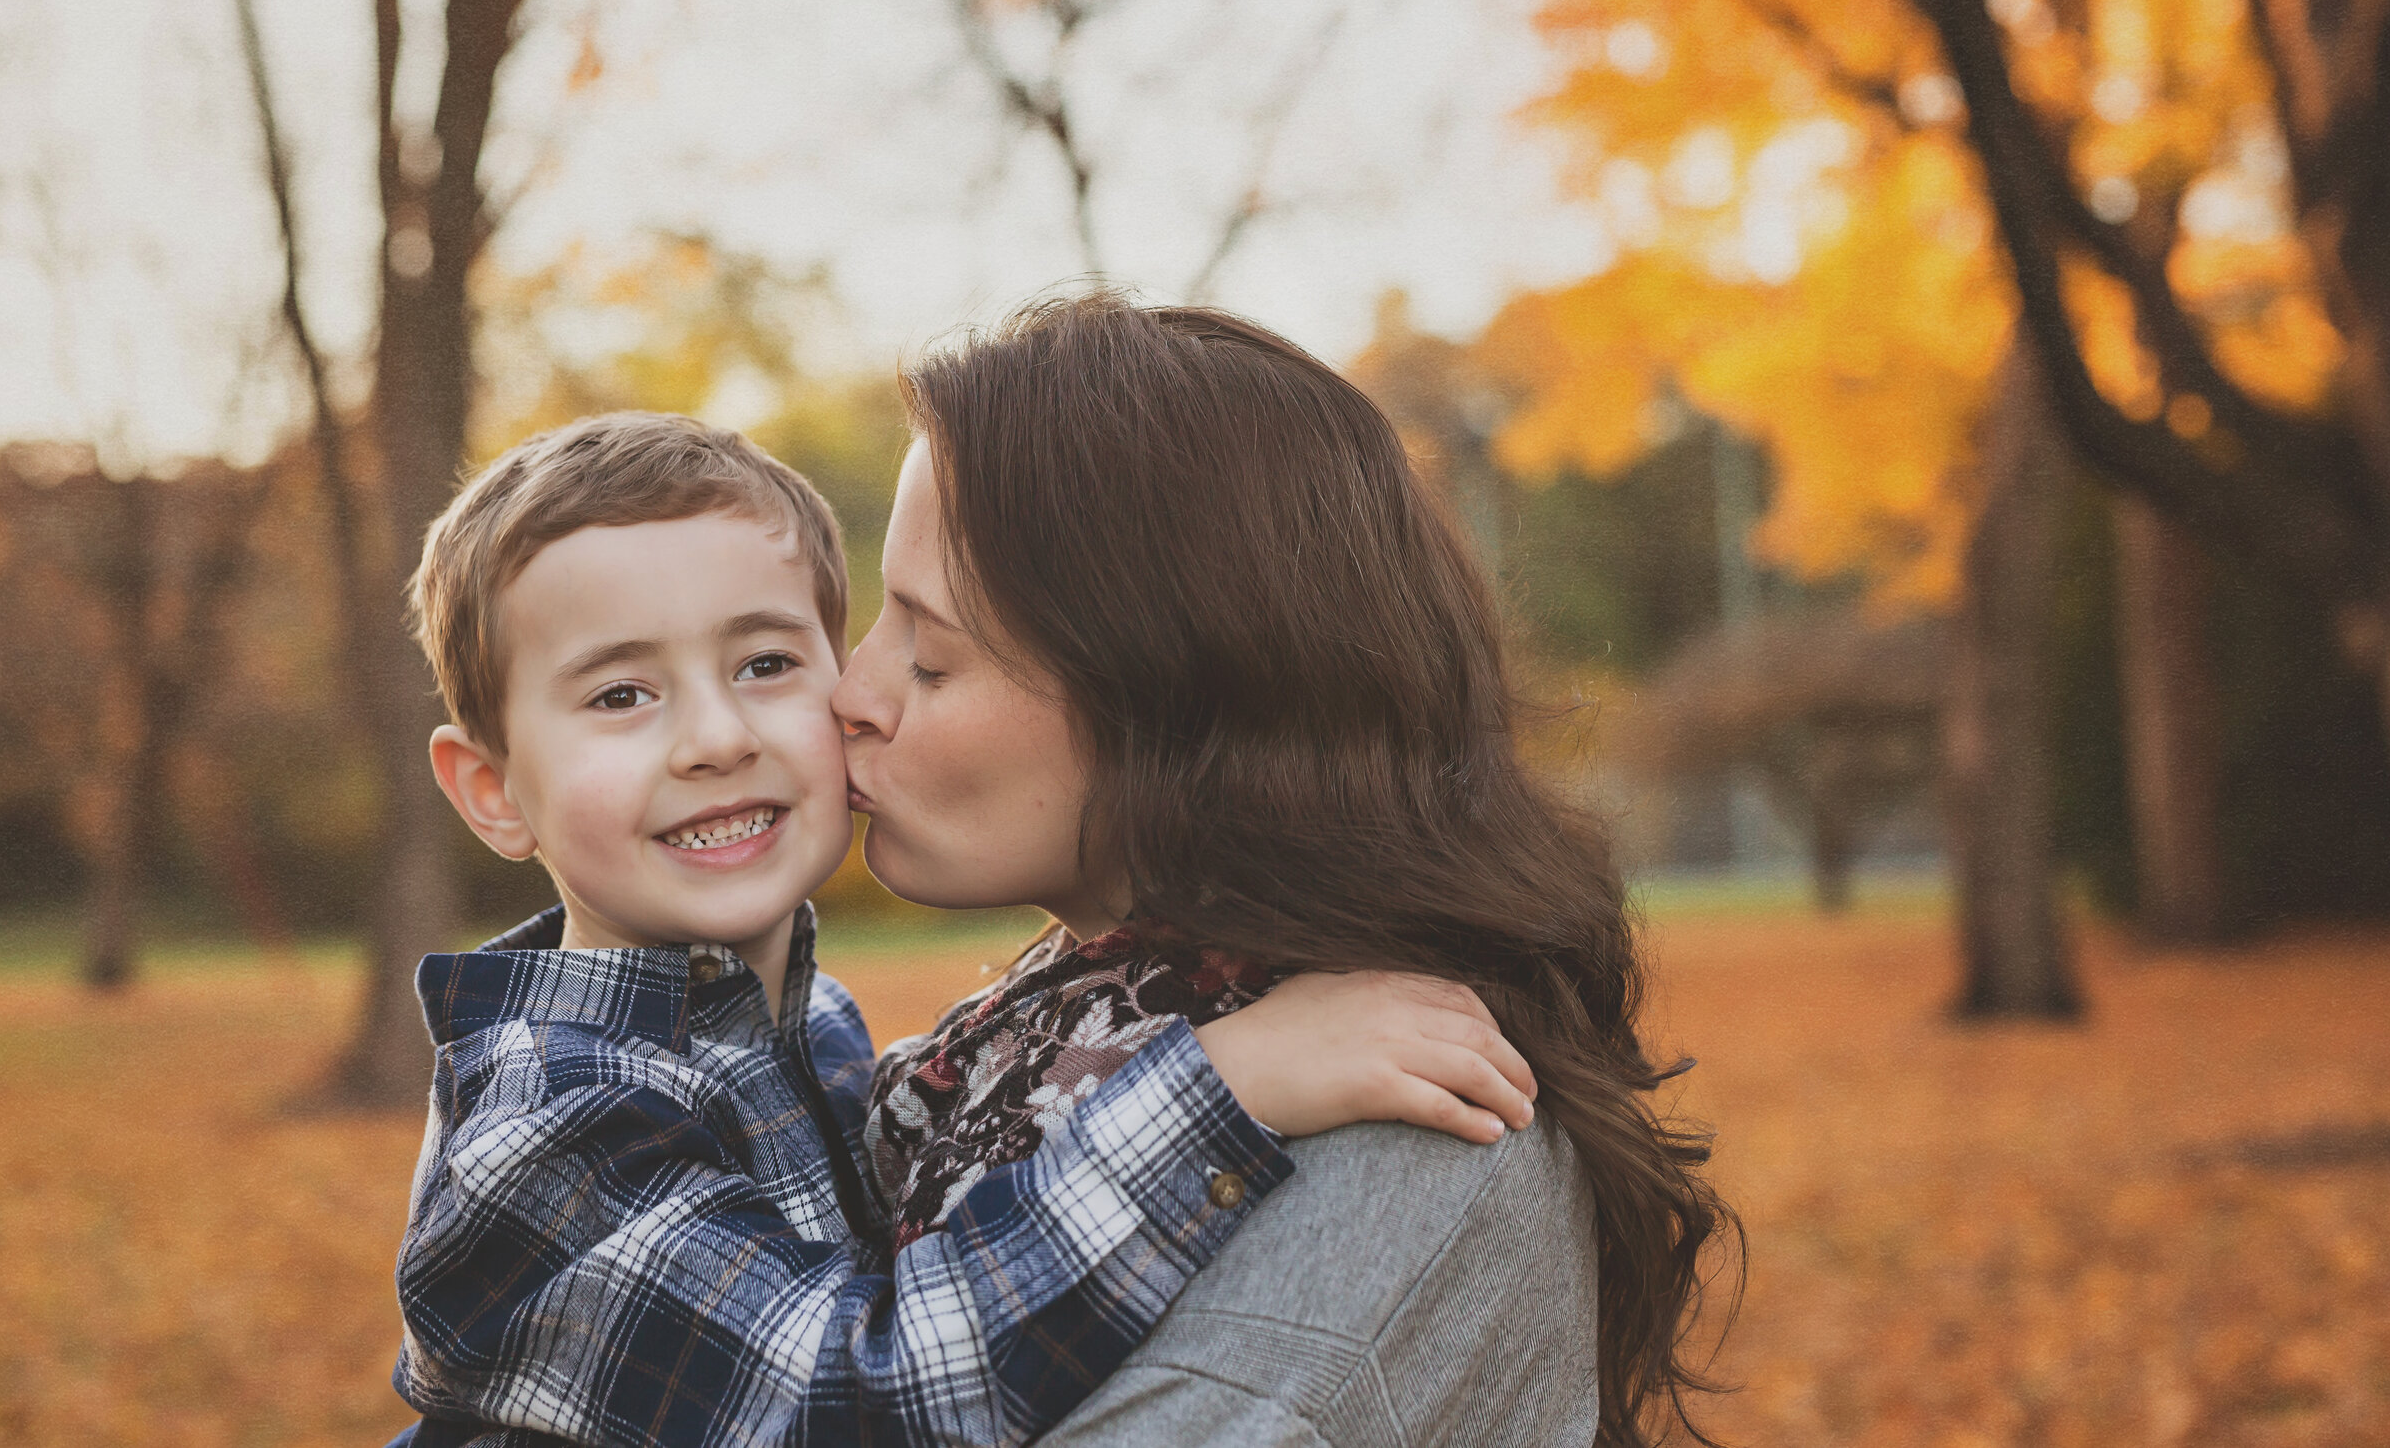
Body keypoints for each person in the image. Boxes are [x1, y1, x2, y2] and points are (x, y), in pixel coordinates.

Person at [385, 410, 1537, 1448]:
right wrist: (1215, 1091)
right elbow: (861, 1402)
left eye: (767, 662)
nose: (716, 735)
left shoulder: (806, 1026)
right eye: (621, 695)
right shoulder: (552, 1125)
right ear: (490, 789)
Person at [836, 293, 1736, 1448]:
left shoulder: (1401, 1137)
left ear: (1172, 700)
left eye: (927, 656)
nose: (849, 693)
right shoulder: (1039, 1044)